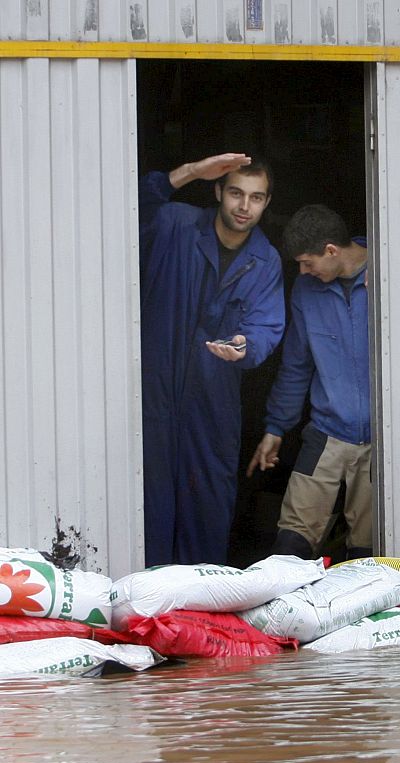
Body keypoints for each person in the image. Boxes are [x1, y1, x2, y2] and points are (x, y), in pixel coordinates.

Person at [139, 153, 285, 567]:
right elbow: (127, 209)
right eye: (236, 193)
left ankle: (200, 601)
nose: (244, 206)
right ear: (218, 191)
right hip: (154, 397)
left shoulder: (265, 261)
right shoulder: (175, 225)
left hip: (212, 406)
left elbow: (266, 325)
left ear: (266, 202)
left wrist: (245, 346)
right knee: (148, 507)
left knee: (206, 511)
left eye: (256, 197)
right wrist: (188, 173)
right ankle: (145, 596)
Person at [246, 204, 372, 561]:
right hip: (327, 432)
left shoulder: (390, 267)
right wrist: (276, 427)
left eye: (307, 262)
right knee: (291, 543)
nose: (302, 271)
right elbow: (296, 365)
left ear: (331, 250)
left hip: (382, 441)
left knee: (368, 552)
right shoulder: (305, 290)